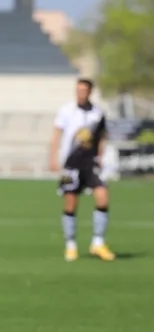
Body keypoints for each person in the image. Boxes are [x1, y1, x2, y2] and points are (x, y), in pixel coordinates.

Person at [49, 77, 115, 261]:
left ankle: (98, 243)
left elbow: (101, 137)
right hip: (70, 164)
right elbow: (56, 135)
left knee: (102, 196)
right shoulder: (66, 110)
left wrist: (101, 157)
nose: (80, 94)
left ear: (90, 92)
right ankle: (70, 244)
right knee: (70, 203)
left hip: (90, 164)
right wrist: (53, 158)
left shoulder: (98, 113)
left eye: (84, 91)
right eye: (78, 90)